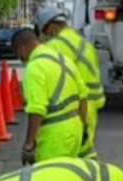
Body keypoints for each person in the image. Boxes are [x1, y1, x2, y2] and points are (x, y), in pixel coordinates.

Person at [10, 28, 88, 166]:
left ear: (22, 48)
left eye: (18, 54)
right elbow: (83, 96)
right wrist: (82, 127)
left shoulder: (34, 68)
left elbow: (37, 109)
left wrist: (29, 143)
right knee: (68, 178)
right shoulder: (64, 59)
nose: (20, 58)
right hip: (75, 131)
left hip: (54, 138)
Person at [36, 7, 106, 159]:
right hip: (92, 107)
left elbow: (53, 79)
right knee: (86, 151)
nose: (46, 35)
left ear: (52, 26)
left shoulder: (54, 47)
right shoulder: (86, 45)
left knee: (67, 157)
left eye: (46, 31)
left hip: (73, 108)